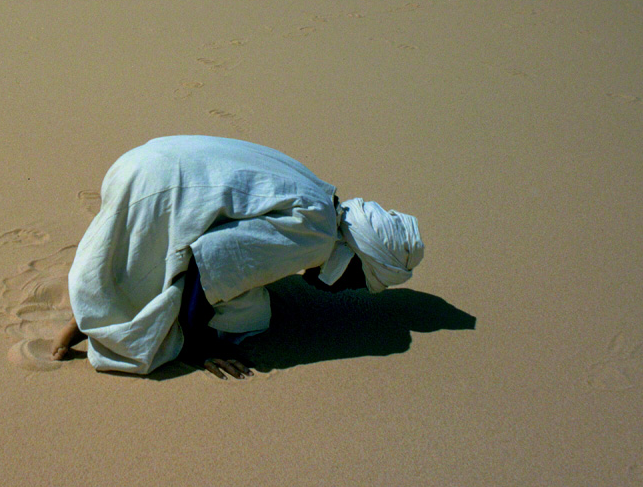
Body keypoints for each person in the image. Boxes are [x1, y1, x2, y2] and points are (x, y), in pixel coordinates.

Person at [51, 136, 423, 378]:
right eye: (359, 281)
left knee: (149, 263)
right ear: (356, 258)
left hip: (141, 160)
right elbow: (207, 260)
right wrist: (199, 350)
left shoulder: (320, 197)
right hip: (156, 189)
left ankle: (98, 300)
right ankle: (94, 315)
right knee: (252, 316)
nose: (345, 290)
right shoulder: (317, 236)